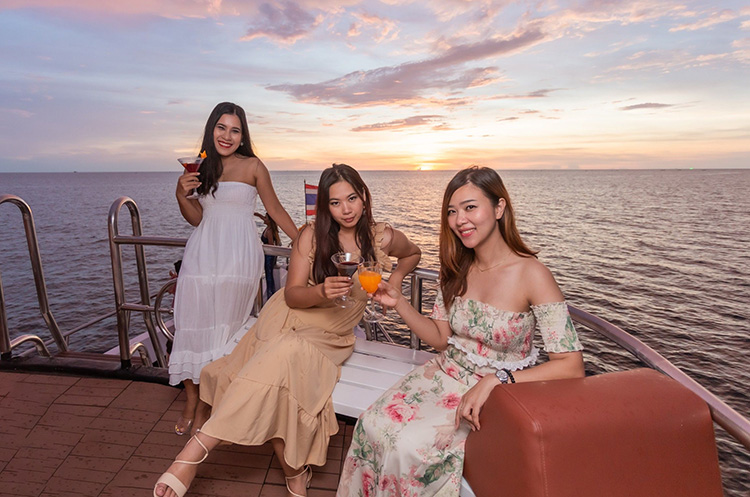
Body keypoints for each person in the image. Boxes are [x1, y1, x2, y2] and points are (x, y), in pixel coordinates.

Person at [154, 164, 422, 497]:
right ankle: (203, 455)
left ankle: (281, 469)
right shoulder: (311, 235)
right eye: (335, 203)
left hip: (332, 333)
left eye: (352, 198)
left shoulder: (383, 237)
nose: (346, 209)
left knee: (281, 365)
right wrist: (321, 291)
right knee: (283, 364)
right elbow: (294, 294)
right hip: (289, 316)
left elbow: (413, 254)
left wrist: (394, 278)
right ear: (325, 206)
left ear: (364, 197)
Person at [337, 166, 585, 497]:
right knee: (371, 423)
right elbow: (441, 339)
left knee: (406, 446)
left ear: (499, 208)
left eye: (470, 207)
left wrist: (498, 380)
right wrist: (399, 303)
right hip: (443, 374)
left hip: (495, 394)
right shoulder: (456, 267)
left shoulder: (533, 274)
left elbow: (571, 365)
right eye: (452, 212)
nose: (459, 220)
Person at [170, 102, 298, 437]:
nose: (227, 135)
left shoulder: (253, 166)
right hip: (202, 252)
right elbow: (198, 219)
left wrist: (303, 240)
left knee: (225, 327)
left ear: (243, 136)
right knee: (191, 321)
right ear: (211, 130)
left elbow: (275, 209)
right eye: (221, 128)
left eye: (235, 130)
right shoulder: (201, 168)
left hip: (239, 256)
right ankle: (192, 399)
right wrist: (181, 195)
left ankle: (209, 402)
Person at [255, 211, 282, 301]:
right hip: (268, 256)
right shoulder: (269, 227)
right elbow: (265, 218)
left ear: (269, 221)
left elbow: (271, 244)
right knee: (268, 275)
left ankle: (271, 297)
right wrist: (256, 214)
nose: (264, 219)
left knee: (269, 276)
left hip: (269, 256)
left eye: (266, 218)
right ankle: (271, 295)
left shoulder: (269, 231)